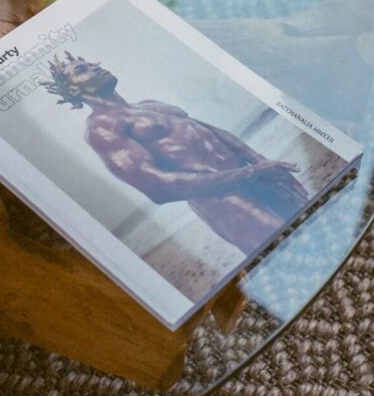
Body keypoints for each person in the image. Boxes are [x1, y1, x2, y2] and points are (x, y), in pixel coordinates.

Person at [42, 52, 309, 255]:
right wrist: (251, 172)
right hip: (226, 201)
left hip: (260, 179)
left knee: (317, 231)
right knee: (290, 254)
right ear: (74, 90)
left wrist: (262, 162)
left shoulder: (149, 105)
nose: (95, 66)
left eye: (90, 63)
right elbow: (158, 187)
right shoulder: (102, 128)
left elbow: (211, 132)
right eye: (81, 69)